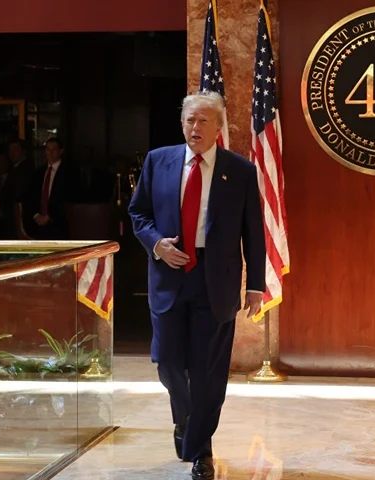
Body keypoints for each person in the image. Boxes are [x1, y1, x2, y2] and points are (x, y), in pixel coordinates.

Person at [128, 91, 266, 480]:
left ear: (219, 127)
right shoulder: (159, 162)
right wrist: (156, 244)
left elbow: (253, 233)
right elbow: (137, 212)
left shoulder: (238, 170)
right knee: (169, 362)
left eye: (204, 120)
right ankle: (186, 419)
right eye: (190, 120)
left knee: (207, 372)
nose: (195, 127)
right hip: (170, 276)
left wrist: (255, 284)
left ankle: (201, 451)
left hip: (215, 282)